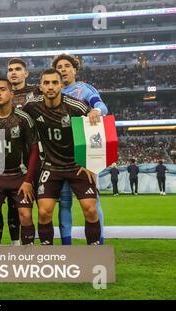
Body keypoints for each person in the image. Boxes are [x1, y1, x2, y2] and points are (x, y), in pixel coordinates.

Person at [23, 69, 100, 245]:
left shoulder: (77, 106)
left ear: (61, 85)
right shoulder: (32, 107)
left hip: (77, 165)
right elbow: (16, 116)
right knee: (44, 212)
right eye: (46, 83)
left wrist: (90, 164)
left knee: (90, 209)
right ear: (41, 86)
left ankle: (94, 253)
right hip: (51, 166)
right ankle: (47, 253)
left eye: (54, 82)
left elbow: (94, 132)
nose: (50, 87)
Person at [52, 53, 109, 245]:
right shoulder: (50, 91)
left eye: (67, 66)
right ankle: (67, 247)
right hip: (59, 156)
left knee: (92, 203)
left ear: (75, 69)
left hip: (84, 155)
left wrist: (96, 110)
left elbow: (101, 105)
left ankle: (97, 244)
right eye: (59, 66)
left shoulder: (84, 90)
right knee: (65, 203)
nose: (63, 69)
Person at [0, 77, 40, 245]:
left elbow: (34, 150)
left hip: (20, 176)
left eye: (2, 89)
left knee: (26, 215)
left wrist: (28, 181)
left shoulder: (23, 118)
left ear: (11, 93)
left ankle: (28, 255)